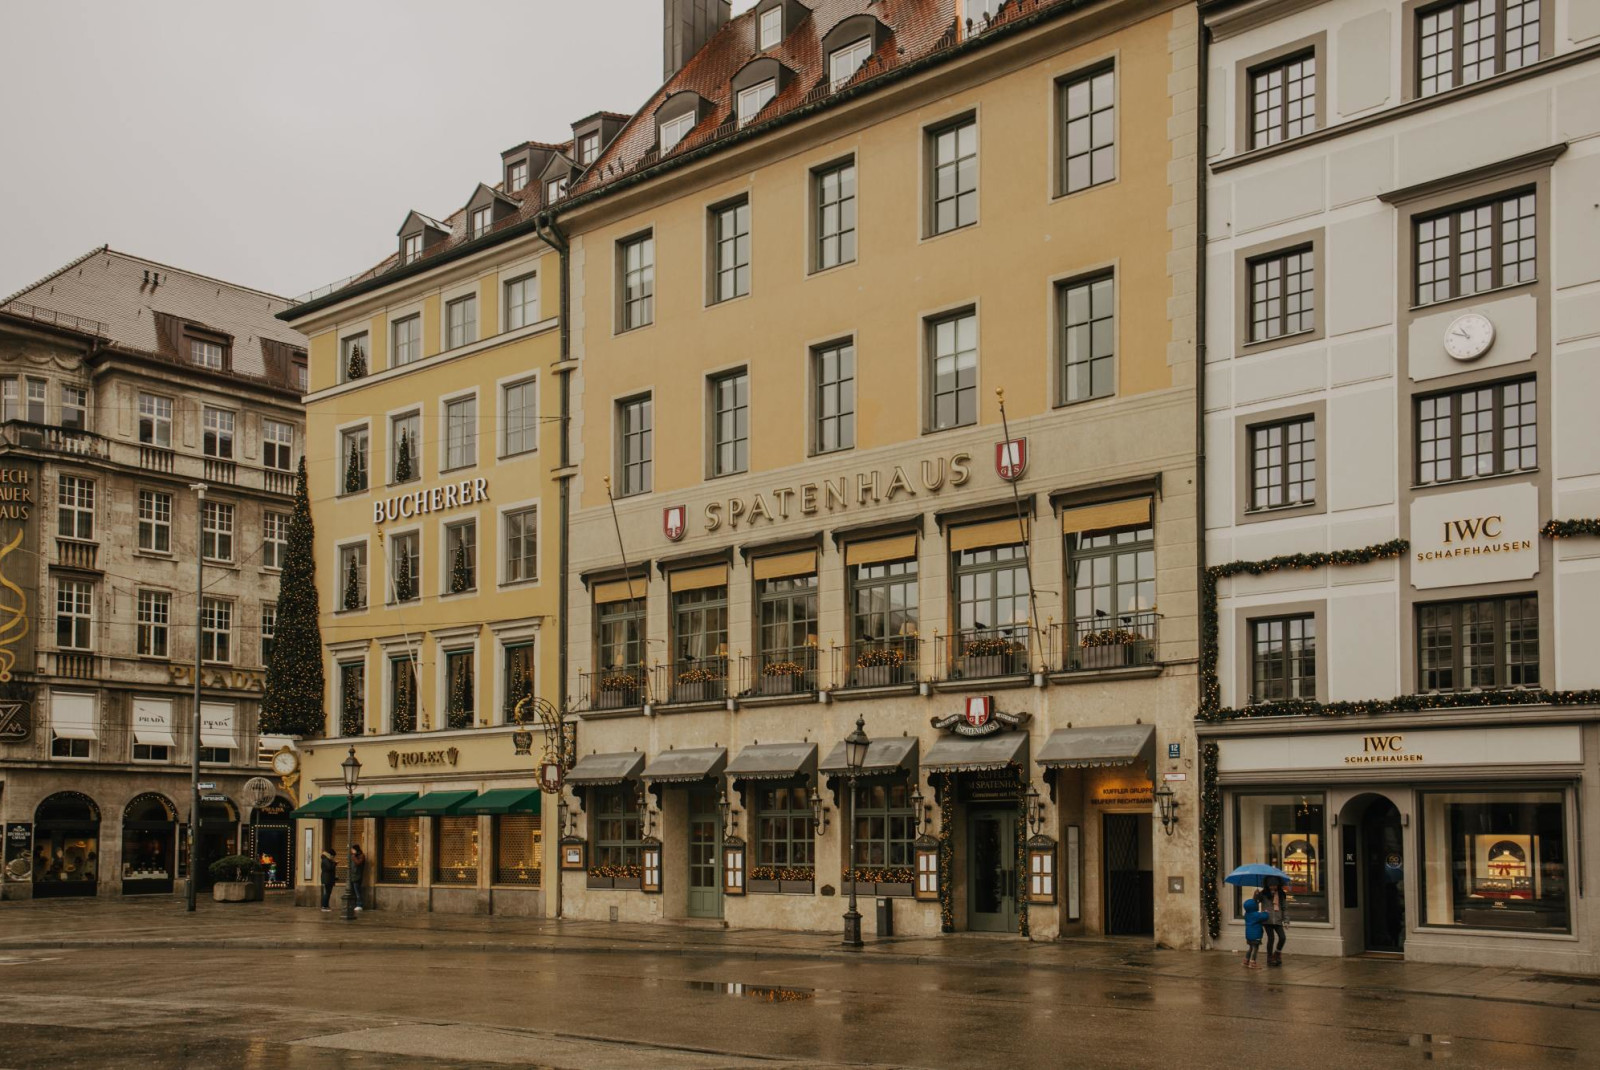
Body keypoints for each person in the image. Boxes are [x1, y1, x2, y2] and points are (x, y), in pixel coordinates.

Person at [1260, 875, 1289, 967]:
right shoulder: (1263, 894)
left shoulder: (1281, 894)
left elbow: (1284, 908)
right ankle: (1269, 958)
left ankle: (1277, 953)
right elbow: (1254, 903)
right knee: (1271, 938)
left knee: (1282, 937)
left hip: (1278, 920)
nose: (1273, 887)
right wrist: (1256, 895)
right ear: (1267, 885)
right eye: (1271, 885)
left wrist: (1286, 920)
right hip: (1267, 920)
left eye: (1275, 885)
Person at [1242, 891, 1268, 969]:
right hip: (1256, 935)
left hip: (1249, 936)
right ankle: (1252, 962)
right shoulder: (1256, 915)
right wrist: (1266, 912)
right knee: (1255, 949)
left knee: (1250, 948)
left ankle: (1246, 960)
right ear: (1254, 906)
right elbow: (1264, 917)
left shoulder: (1247, 914)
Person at [319, 847, 337, 911]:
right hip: (327, 879)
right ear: (330, 855)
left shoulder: (327, 859)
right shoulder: (325, 859)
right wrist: (334, 863)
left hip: (329, 879)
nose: (333, 857)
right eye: (333, 856)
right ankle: (324, 906)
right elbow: (329, 867)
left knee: (328, 893)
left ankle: (326, 906)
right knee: (326, 893)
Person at [349, 844, 366, 912]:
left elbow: (358, 863)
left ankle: (359, 905)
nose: (351, 851)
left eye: (352, 849)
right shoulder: (353, 856)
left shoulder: (361, 855)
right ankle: (354, 904)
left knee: (357, 891)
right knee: (353, 892)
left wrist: (353, 857)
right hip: (352, 876)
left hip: (357, 876)